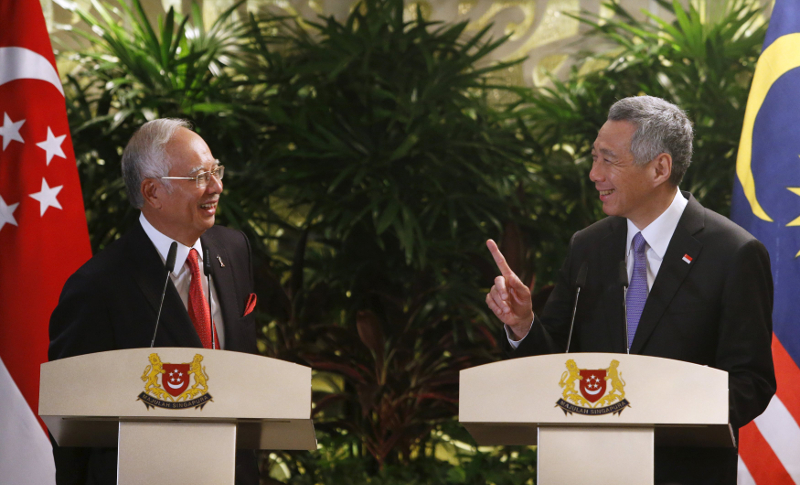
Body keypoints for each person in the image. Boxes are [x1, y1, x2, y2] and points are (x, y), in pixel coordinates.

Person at [485, 96, 775, 484]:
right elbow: (554, 359)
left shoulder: (733, 253)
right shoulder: (588, 246)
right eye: (594, 158)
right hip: (584, 469)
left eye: (609, 160)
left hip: (682, 472)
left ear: (660, 168)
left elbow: (751, 381)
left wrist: (663, 411)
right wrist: (523, 324)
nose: (594, 174)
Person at [48, 119, 259, 484]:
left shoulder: (234, 249)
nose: (217, 187)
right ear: (152, 192)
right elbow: (73, 425)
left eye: (216, 172)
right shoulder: (95, 287)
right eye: (199, 177)